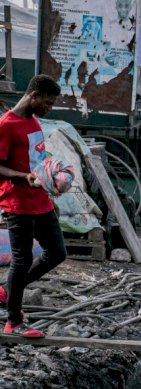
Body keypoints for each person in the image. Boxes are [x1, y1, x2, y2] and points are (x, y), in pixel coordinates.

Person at [0, 75, 67, 338]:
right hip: (18, 204)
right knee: (22, 259)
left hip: (40, 201)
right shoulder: (7, 125)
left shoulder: (33, 122)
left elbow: (37, 162)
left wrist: (50, 194)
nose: (49, 108)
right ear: (34, 95)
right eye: (48, 103)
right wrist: (22, 177)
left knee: (57, 252)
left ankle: (8, 291)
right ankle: (13, 321)